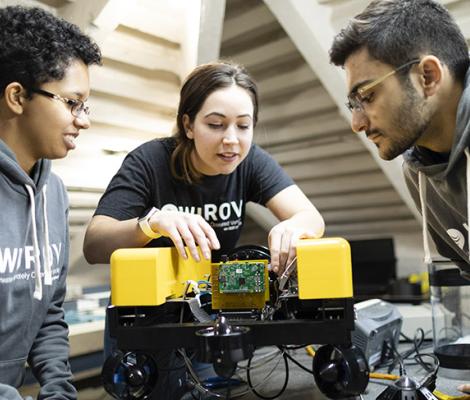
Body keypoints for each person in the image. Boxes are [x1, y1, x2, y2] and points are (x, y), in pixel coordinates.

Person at [83, 61, 324, 399]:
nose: (231, 140)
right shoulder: (149, 162)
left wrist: (295, 227)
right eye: (215, 124)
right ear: (188, 124)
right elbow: (94, 244)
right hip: (144, 319)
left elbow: (312, 218)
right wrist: (151, 224)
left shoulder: (251, 162)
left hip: (209, 317)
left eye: (243, 126)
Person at [329, 0, 470, 393]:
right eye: (352, 104)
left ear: (427, 75)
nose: (357, 123)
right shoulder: (418, 173)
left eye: (367, 96)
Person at [0, 6, 101, 399]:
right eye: (72, 103)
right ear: (17, 96)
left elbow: (50, 313)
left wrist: (59, 390)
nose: (84, 120)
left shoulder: (54, 194)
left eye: (85, 106)